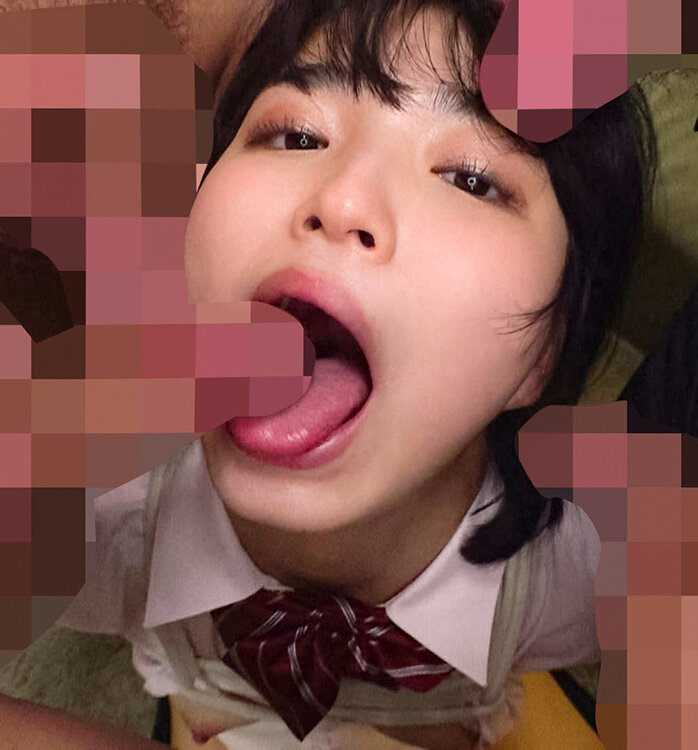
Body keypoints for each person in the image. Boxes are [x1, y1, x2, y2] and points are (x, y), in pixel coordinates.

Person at [2, 0, 652, 747]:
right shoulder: (101, 537)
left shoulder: (583, 575)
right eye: (295, 135)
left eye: (470, 179)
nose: (342, 199)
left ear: (542, 355)